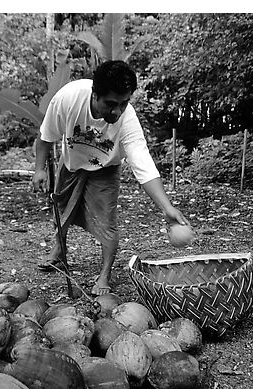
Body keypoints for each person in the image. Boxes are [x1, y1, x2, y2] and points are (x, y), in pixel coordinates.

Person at [32, 60, 189, 296]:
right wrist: (39, 169)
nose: (117, 111)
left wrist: (166, 208)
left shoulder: (127, 119)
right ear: (95, 94)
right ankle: (59, 252)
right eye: (111, 104)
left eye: (124, 103)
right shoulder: (68, 98)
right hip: (71, 164)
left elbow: (142, 163)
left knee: (107, 223)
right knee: (60, 210)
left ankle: (104, 275)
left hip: (105, 170)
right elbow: (46, 136)